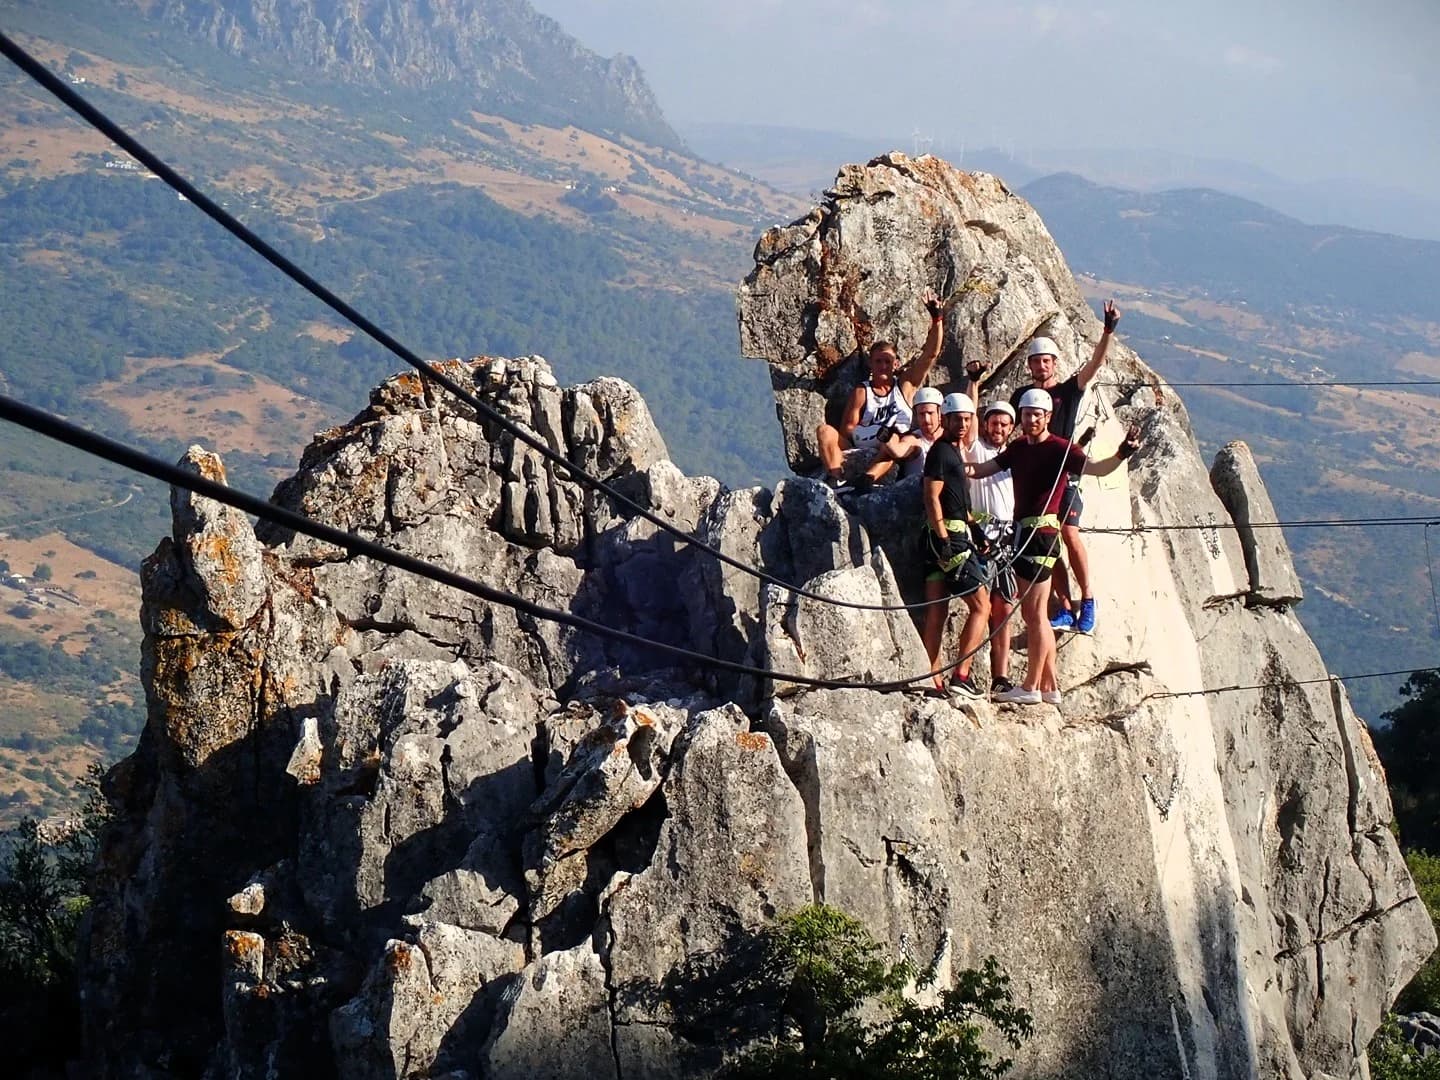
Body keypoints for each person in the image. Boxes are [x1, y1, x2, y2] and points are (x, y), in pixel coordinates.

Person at [966, 388, 1140, 706]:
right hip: (1029, 535)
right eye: (1027, 414)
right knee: (1039, 614)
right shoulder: (1018, 448)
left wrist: (1122, 453)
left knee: (1034, 615)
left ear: (1047, 417)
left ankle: (1031, 685)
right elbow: (984, 470)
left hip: (1040, 535)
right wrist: (954, 465)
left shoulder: (1061, 449)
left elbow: (1096, 469)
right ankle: (1049, 684)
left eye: (1036, 415)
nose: (1030, 419)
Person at [1008, 301, 1121, 634]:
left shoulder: (1067, 392)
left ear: (1054, 364)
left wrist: (1108, 332)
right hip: (1036, 478)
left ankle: (1088, 600)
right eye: (1036, 361)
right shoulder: (1022, 396)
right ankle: (1065, 605)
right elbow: (1006, 428)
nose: (1041, 366)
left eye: (1046, 361)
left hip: (1065, 473)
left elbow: (1096, 364)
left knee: (1069, 534)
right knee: (1048, 541)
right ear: (1029, 365)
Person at [816, 293, 944, 485]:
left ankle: (867, 481)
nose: (883, 366)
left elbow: (930, 355)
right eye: (878, 361)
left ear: (896, 363)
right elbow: (847, 429)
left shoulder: (905, 386)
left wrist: (937, 319)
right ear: (871, 363)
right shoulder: (862, 391)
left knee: (891, 442)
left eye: (887, 361)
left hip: (894, 449)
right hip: (863, 444)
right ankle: (836, 480)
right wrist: (871, 433)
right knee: (825, 431)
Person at [920, 392, 990, 699]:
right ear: (945, 420)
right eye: (956, 419)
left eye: (966, 419)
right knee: (982, 606)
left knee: (937, 611)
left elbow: (955, 501)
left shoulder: (950, 452)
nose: (962, 424)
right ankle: (961, 675)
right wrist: (946, 538)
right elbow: (931, 496)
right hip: (949, 539)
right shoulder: (941, 453)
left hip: (941, 538)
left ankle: (931, 679)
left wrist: (978, 531)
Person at [963, 400, 1018, 694]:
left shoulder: (1014, 454)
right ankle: (965, 672)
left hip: (1007, 537)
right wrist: (973, 382)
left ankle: (1001, 676)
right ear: (986, 424)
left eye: (1004, 424)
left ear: (1011, 428)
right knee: (981, 605)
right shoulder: (977, 449)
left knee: (1004, 607)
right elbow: (969, 417)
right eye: (994, 423)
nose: (998, 428)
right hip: (981, 535)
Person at [845, 387, 944, 492]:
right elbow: (898, 451)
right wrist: (886, 438)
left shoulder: (952, 437)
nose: (926, 420)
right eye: (921, 414)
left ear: (940, 413)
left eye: (930, 413)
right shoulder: (914, 439)